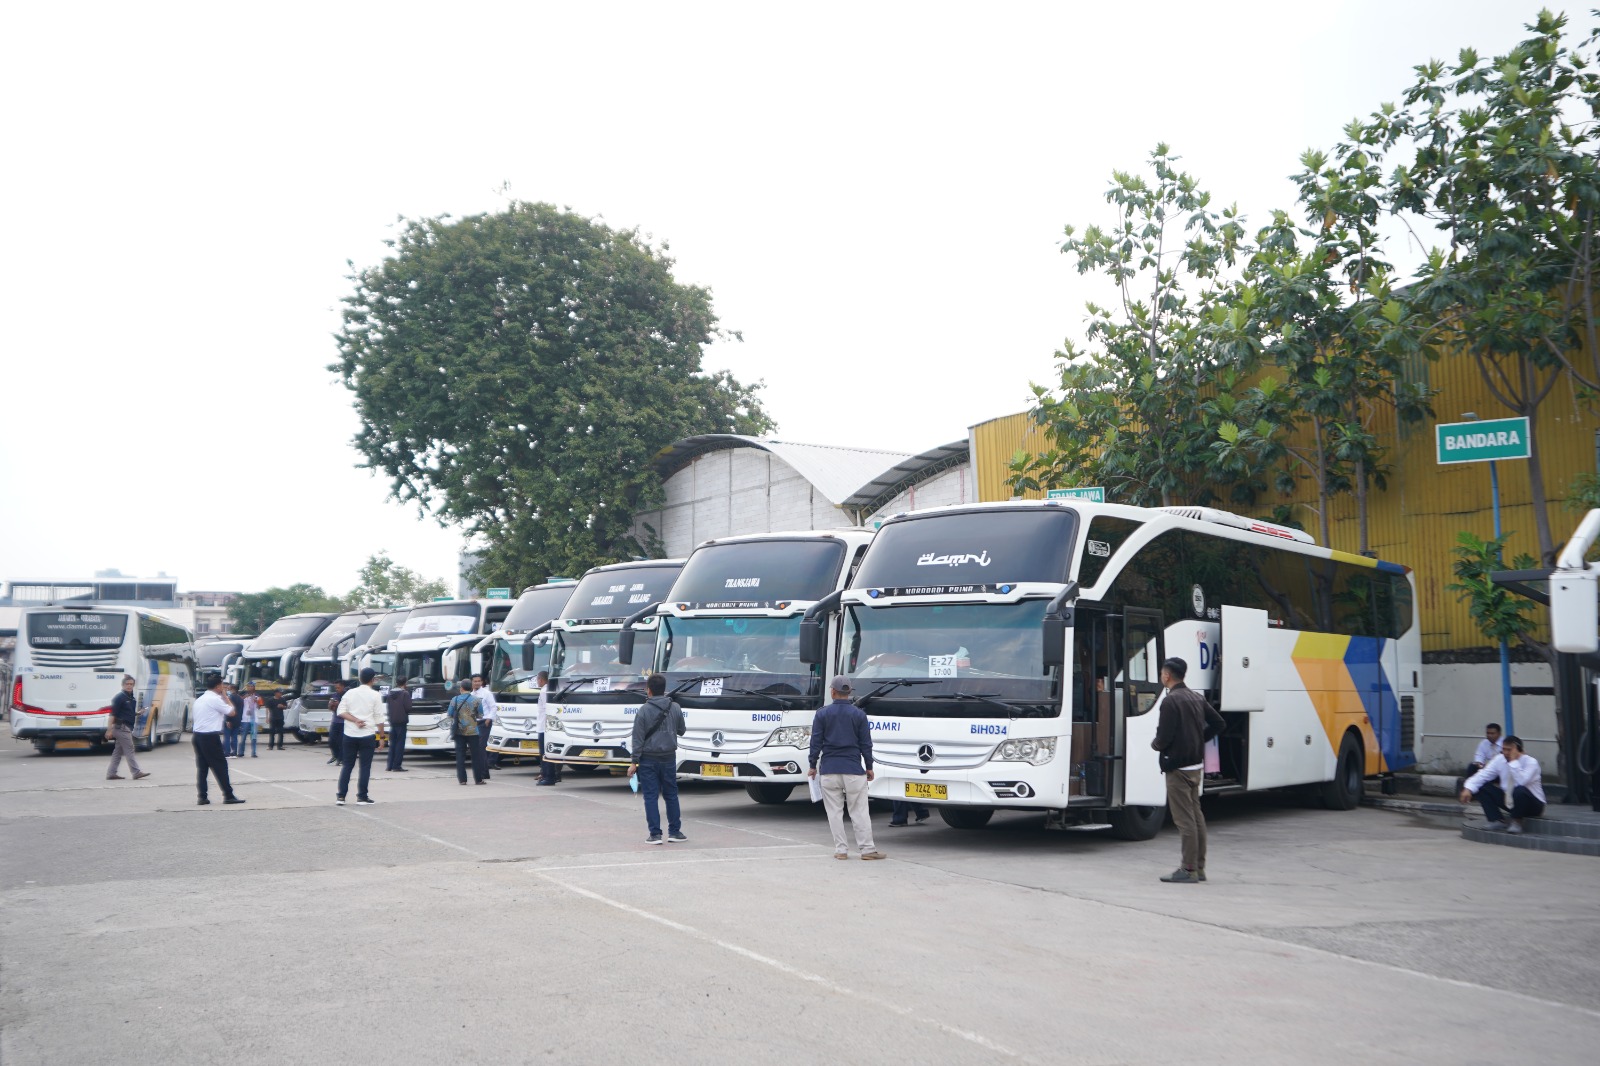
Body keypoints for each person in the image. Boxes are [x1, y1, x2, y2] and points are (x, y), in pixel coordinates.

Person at [1151, 656, 1224, 884]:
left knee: (1184, 821)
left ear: (1167, 675)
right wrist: (1199, 739)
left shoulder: (1171, 702)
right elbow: (1219, 723)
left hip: (1178, 768)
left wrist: (1155, 745)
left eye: (1162, 673)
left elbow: (1164, 738)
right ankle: (1200, 867)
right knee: (1197, 817)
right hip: (1195, 766)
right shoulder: (1196, 697)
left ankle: (1188, 869)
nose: (1161, 676)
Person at [807, 676, 885, 860]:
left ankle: (841, 850)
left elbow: (815, 742)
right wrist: (869, 766)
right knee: (859, 811)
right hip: (853, 769)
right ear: (849, 692)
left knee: (834, 812)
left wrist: (812, 766)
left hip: (829, 770)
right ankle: (867, 850)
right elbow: (866, 744)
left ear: (832, 692)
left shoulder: (822, 714)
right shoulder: (859, 714)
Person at [628, 673, 687, 844]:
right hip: (669, 757)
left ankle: (655, 834)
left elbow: (637, 739)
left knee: (651, 796)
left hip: (648, 759)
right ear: (664, 689)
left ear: (649, 690)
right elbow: (682, 730)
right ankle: (675, 832)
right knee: (671, 795)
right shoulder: (675, 707)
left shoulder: (643, 711)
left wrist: (633, 762)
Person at [1460, 735, 1546, 833]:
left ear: (1519, 750)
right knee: (1482, 787)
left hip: (1533, 805)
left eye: (1509, 750)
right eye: (1503, 749)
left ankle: (1517, 822)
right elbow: (1483, 775)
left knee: (1519, 790)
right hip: (1510, 801)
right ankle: (1497, 820)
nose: (1505, 753)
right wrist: (1467, 789)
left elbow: (1521, 781)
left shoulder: (1531, 762)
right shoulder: (1499, 759)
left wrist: (1513, 761)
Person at [192, 674, 244, 806]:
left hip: (197, 736)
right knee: (220, 766)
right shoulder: (215, 699)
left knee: (203, 768)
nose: (224, 687)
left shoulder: (201, 699)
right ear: (217, 687)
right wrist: (226, 697)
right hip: (209, 736)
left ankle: (202, 797)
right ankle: (228, 795)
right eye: (222, 685)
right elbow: (232, 712)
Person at [335, 668, 383, 806]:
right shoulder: (375, 695)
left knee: (347, 766)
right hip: (367, 735)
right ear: (372, 680)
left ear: (360, 678)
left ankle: (341, 797)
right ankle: (362, 796)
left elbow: (341, 712)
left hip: (349, 735)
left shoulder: (350, 693)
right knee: (365, 767)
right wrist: (381, 737)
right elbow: (379, 718)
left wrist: (355, 720)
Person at [104, 674, 150, 781]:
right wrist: (109, 729)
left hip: (126, 727)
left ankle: (111, 773)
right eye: (127, 684)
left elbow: (127, 713)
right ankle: (136, 772)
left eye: (131, 684)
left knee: (118, 752)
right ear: (123, 685)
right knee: (130, 749)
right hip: (121, 728)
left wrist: (138, 713)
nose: (129, 686)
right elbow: (113, 714)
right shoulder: (119, 698)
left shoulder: (131, 698)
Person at [447, 680, 488, 785]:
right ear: (471, 688)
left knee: (460, 756)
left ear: (461, 688)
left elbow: (450, 714)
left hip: (459, 732)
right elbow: (481, 715)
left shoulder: (454, 700)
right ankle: (478, 779)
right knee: (476, 756)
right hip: (473, 731)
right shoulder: (476, 700)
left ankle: (462, 780)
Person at [534, 670, 559, 785]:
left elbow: (546, 709)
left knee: (544, 754)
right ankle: (548, 775)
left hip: (544, 726)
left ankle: (548, 777)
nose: (537, 682)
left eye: (537, 679)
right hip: (543, 725)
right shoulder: (547, 689)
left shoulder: (544, 691)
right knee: (545, 753)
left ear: (541, 679)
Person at [472, 673, 499, 772]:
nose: (477, 683)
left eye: (479, 681)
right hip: (474, 723)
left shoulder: (486, 693)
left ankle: (483, 771)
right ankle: (482, 770)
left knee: (481, 746)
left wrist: (489, 719)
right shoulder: (471, 695)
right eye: (475, 681)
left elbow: (493, 707)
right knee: (476, 747)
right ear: (472, 683)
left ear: (482, 682)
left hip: (484, 722)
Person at [384, 683, 412, 772]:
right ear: (405, 683)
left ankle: (389, 765)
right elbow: (408, 708)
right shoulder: (405, 694)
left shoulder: (389, 694)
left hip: (392, 721)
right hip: (401, 721)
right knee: (400, 744)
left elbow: (388, 707)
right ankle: (397, 766)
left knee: (392, 744)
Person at [326, 679, 347, 766]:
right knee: (331, 740)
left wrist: (339, 704)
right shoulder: (334, 695)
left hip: (344, 721)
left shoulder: (347, 696)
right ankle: (335, 755)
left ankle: (341, 759)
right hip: (335, 721)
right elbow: (330, 708)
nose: (337, 689)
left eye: (338, 687)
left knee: (341, 741)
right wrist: (331, 704)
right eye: (336, 688)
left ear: (343, 687)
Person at [238, 683, 261, 758]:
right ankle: (241, 752)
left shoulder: (258, 696)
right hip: (245, 719)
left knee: (253, 737)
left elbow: (259, 706)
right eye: (249, 686)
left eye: (252, 686)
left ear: (254, 687)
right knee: (243, 736)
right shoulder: (243, 696)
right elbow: (239, 703)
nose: (250, 688)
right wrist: (244, 697)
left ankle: (253, 752)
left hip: (254, 719)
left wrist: (256, 701)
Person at [223, 682, 244, 757]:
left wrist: (227, 720)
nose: (228, 689)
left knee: (227, 737)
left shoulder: (230, 698)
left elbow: (229, 709)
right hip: (238, 720)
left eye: (229, 688)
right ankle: (234, 752)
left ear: (232, 689)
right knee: (234, 737)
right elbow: (241, 711)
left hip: (230, 719)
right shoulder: (241, 699)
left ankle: (227, 752)